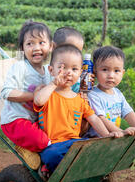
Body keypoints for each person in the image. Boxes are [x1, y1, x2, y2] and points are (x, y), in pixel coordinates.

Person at [33, 44, 123, 174]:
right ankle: (50, 169)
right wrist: (53, 83)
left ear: (80, 73)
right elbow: (38, 101)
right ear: (51, 70)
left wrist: (107, 136)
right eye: (62, 68)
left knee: (91, 146)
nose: (69, 72)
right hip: (54, 145)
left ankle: (78, 170)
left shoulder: (80, 99)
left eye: (74, 69)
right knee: (52, 155)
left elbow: (94, 119)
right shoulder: (47, 93)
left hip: (75, 143)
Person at [0, 21, 53, 154]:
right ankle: (40, 160)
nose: (36, 48)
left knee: (58, 135)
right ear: (22, 49)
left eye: (41, 42)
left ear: (51, 46)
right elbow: (7, 92)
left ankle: (46, 166)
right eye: (30, 43)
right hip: (16, 121)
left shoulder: (49, 71)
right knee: (44, 142)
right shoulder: (21, 67)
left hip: (36, 122)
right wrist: (33, 95)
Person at [85, 46, 135, 138]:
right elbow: (101, 118)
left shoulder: (118, 93)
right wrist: (122, 132)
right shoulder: (93, 94)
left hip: (114, 136)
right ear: (95, 72)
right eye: (105, 70)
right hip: (97, 139)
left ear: (122, 73)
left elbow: (128, 112)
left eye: (116, 71)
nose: (111, 75)